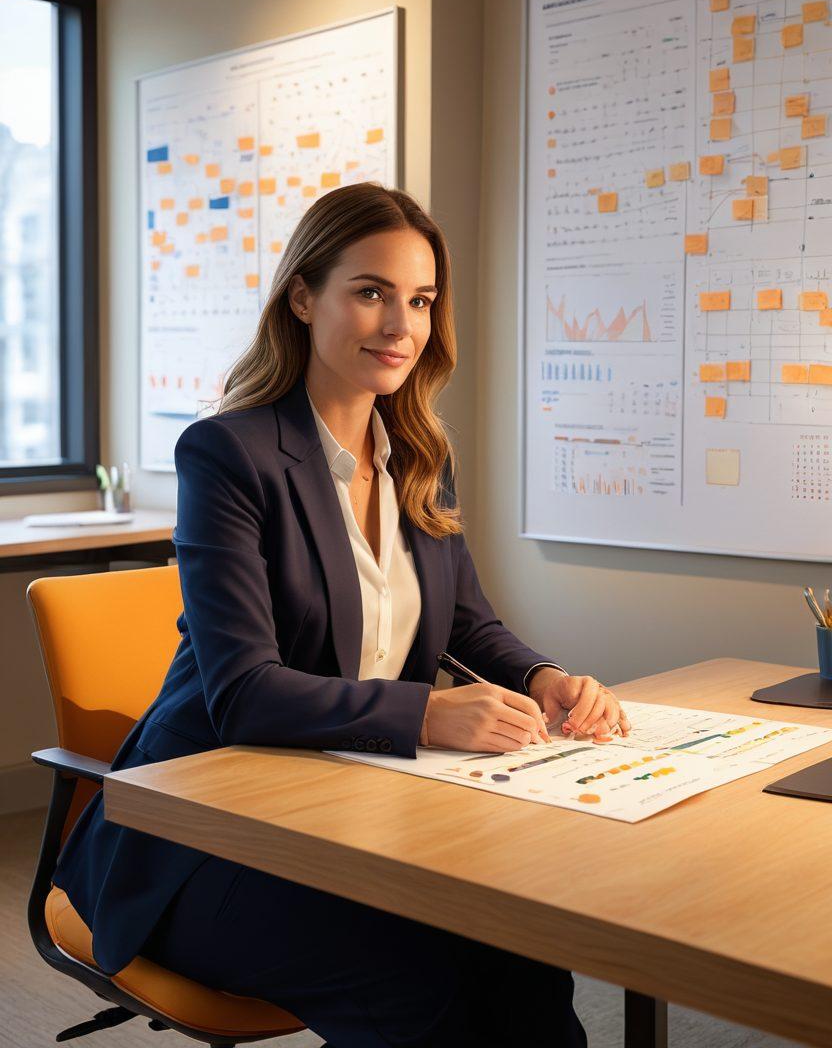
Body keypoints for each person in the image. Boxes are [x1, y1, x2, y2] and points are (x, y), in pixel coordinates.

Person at [52, 183, 629, 1047]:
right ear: (302, 297)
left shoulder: (421, 458)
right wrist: (428, 711)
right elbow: (244, 693)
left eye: (421, 300)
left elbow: (468, 623)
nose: (401, 325)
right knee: (420, 981)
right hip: (207, 836)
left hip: (347, 810)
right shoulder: (228, 454)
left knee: (525, 957)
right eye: (371, 292)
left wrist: (546, 678)